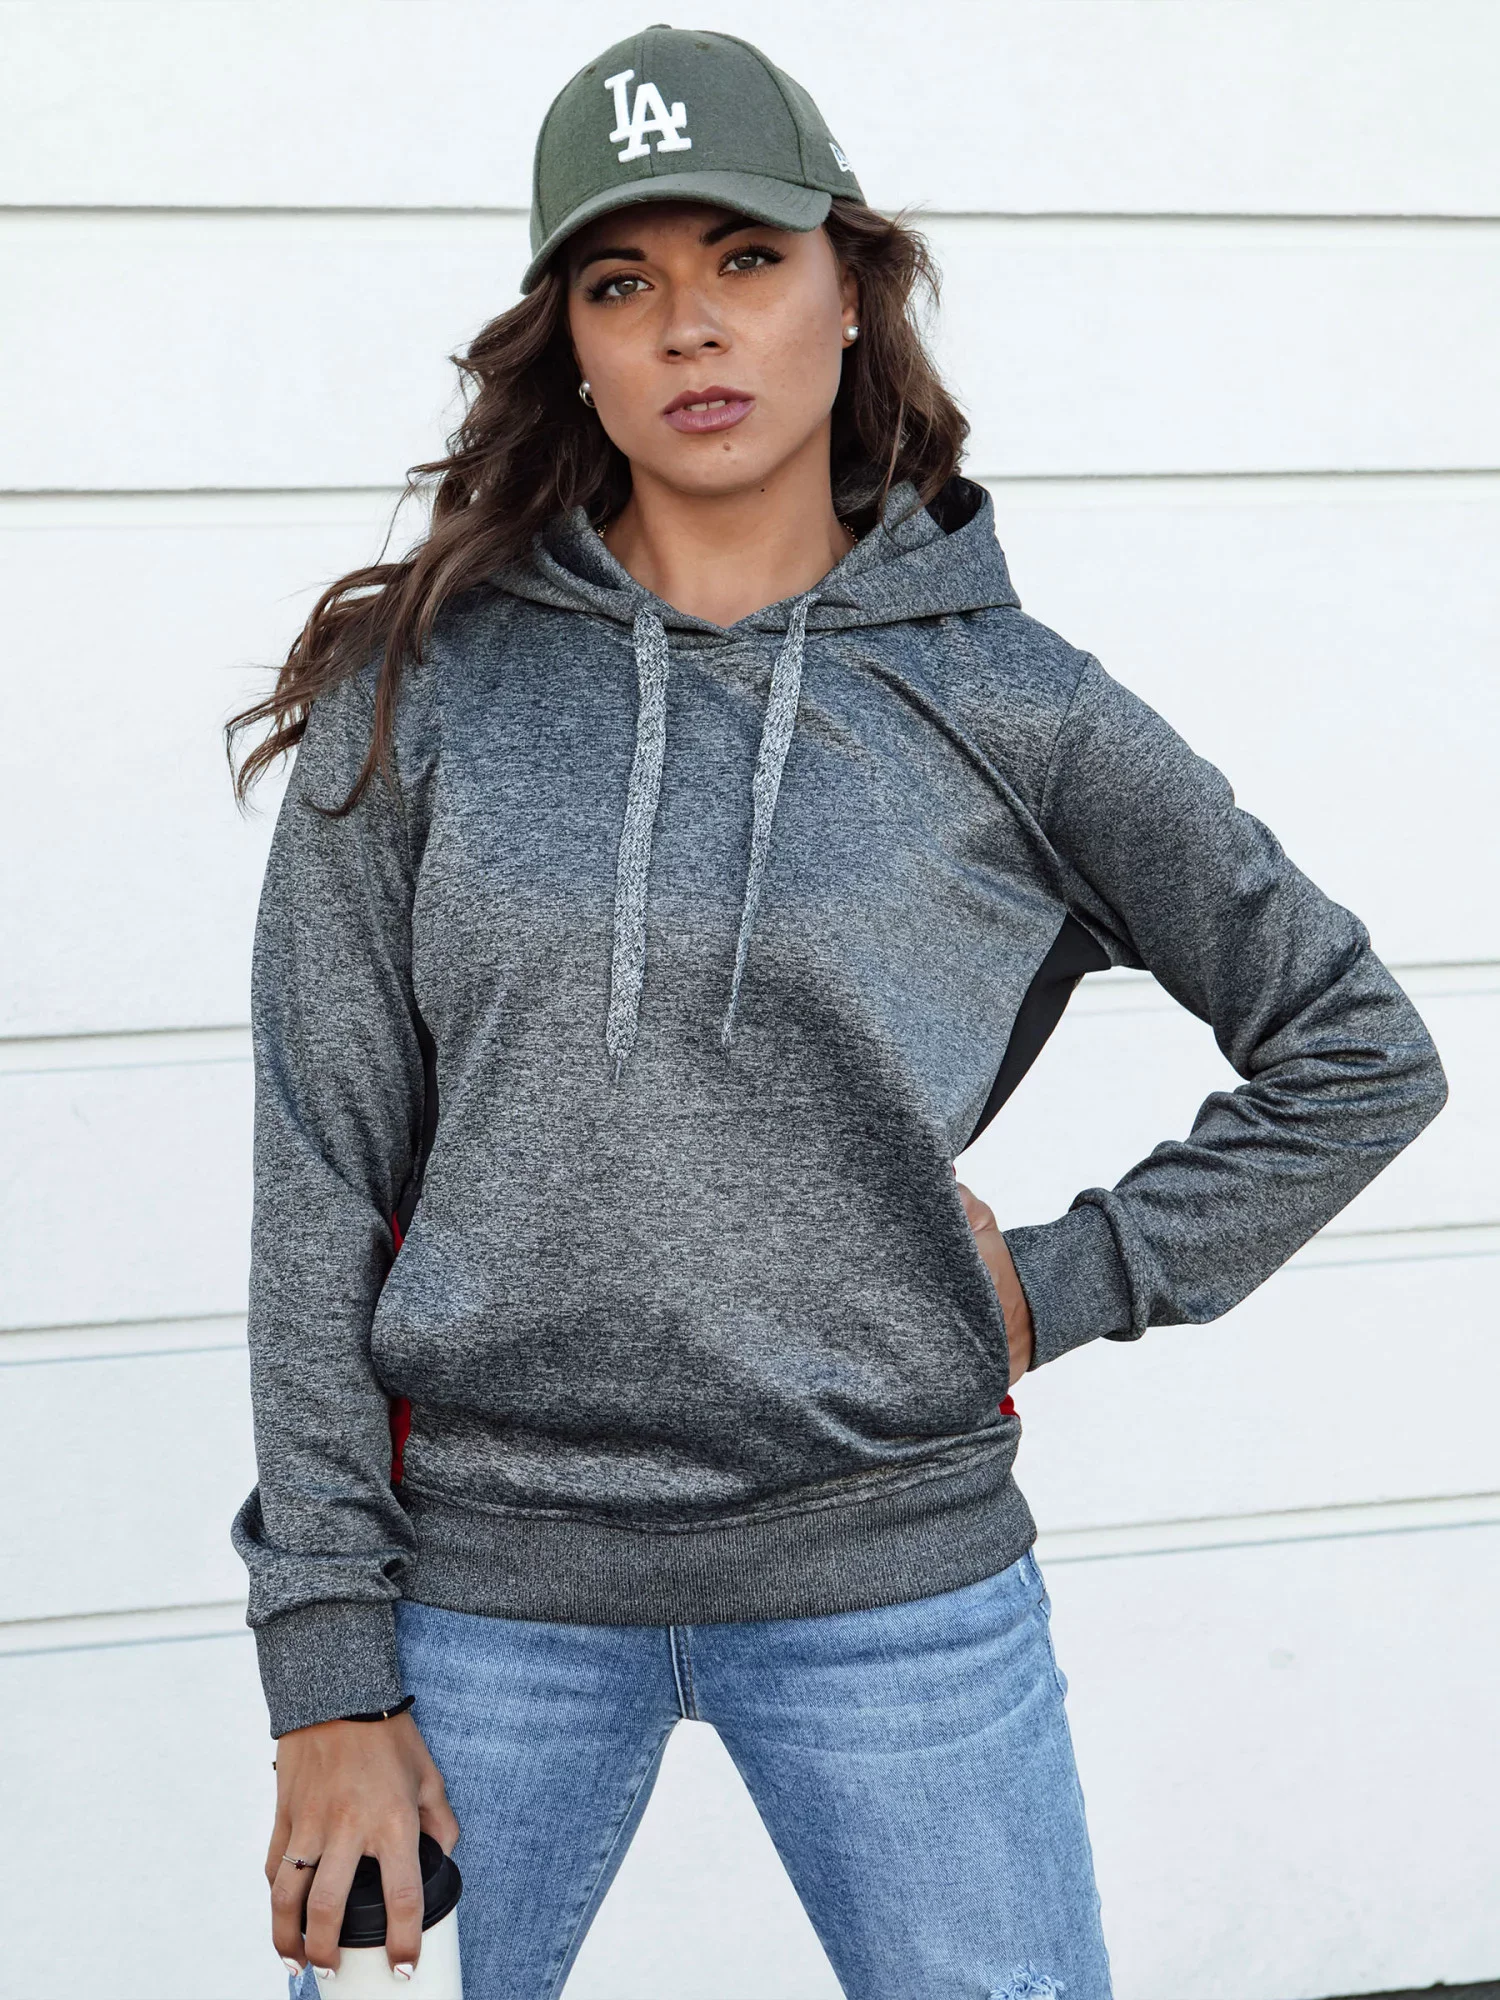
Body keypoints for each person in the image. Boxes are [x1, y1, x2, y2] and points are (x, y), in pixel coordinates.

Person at [226, 26, 1447, 2000]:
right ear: (571, 344)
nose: (690, 326)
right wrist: (327, 1676)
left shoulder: (1013, 700)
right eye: (621, 282)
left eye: (746, 259)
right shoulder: (420, 691)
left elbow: (1357, 1049)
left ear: (851, 290)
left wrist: (1059, 1282)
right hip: (481, 1596)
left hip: (897, 1580)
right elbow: (318, 1179)